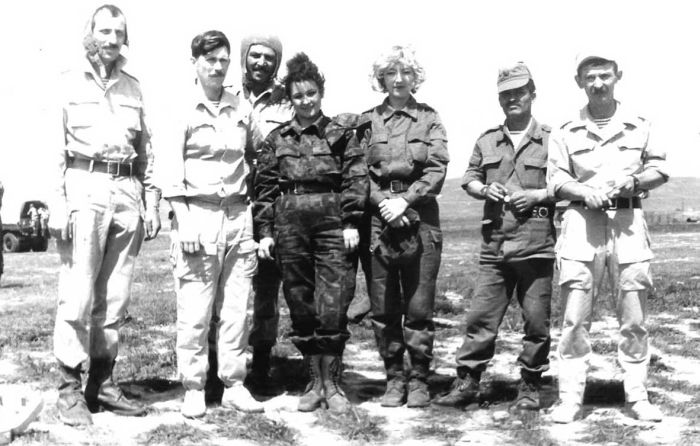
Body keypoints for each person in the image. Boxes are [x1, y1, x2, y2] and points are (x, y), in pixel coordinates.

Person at [49, 4, 161, 427]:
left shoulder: (134, 87)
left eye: (118, 32)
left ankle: (102, 382)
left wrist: (151, 199)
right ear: (90, 34)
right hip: (84, 185)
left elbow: (147, 149)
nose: (111, 39)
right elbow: (52, 150)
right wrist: (57, 203)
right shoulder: (67, 82)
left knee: (115, 297)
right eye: (104, 31)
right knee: (78, 294)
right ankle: (68, 389)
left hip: (127, 190)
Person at [547, 52, 668, 423]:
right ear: (579, 82)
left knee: (634, 318)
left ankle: (637, 397)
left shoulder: (640, 125)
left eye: (604, 76)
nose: (598, 84)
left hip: (628, 223)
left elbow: (659, 169)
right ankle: (570, 399)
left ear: (618, 77)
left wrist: (634, 180)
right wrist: (584, 192)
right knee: (574, 319)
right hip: (581, 225)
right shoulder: (565, 129)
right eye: (590, 77)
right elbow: (557, 179)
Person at [432, 63, 554, 412]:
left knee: (536, 322)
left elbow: (563, 185)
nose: (513, 99)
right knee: (480, 319)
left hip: (536, 243)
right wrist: (484, 189)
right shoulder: (487, 139)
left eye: (519, 92)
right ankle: (467, 382)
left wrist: (537, 195)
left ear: (532, 94)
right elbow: (469, 178)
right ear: (499, 99)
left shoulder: (552, 139)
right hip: (495, 243)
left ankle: (530, 384)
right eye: (506, 94)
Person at [157, 30, 264, 419]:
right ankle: (193, 387)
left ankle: (234, 384)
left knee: (236, 308)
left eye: (223, 60)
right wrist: (183, 220)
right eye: (210, 60)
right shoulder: (180, 108)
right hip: (197, 215)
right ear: (195, 63)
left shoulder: (241, 107)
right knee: (196, 309)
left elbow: (260, 150)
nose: (217, 67)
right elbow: (169, 170)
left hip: (238, 214)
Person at [254, 53, 368, 413]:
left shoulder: (341, 134)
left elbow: (355, 178)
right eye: (298, 95)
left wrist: (350, 222)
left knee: (333, 301)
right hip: (290, 224)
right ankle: (312, 381)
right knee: (300, 300)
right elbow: (265, 189)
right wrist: (266, 231)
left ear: (321, 92)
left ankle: (332, 383)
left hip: (332, 223)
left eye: (311, 93)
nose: (306, 101)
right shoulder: (277, 138)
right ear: (290, 98)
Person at [360, 45, 449, 408]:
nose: (398, 80)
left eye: (406, 72)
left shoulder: (429, 118)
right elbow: (357, 171)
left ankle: (419, 379)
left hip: (421, 219)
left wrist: (406, 200)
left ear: (416, 77)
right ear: (380, 79)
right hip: (378, 222)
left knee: (419, 306)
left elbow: (438, 167)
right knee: (383, 307)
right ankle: (394, 378)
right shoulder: (366, 121)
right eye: (391, 73)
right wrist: (384, 203)